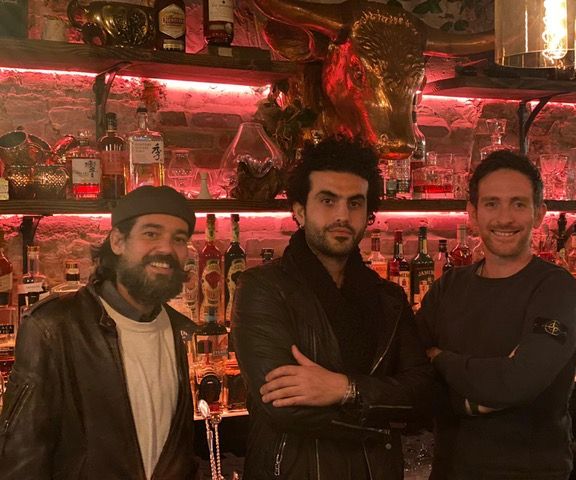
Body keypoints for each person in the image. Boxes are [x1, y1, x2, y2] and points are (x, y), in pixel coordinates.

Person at [232, 136, 433, 479]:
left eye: (355, 203)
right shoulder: (262, 289)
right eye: (328, 200)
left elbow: (423, 395)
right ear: (299, 210)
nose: (342, 215)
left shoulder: (388, 297)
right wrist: (386, 419)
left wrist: (343, 389)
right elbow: (285, 408)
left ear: (368, 214)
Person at [0, 186, 200, 479]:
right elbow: (22, 457)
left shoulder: (178, 329)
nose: (166, 249)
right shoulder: (54, 326)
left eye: (179, 239)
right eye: (151, 233)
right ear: (117, 241)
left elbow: (179, 454)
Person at [416, 150, 576, 480]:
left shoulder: (556, 289)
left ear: (539, 214)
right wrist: (478, 393)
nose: (505, 218)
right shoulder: (449, 286)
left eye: (518, 204)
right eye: (492, 204)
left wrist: (440, 359)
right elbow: (410, 373)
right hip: (449, 471)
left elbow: (517, 382)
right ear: (472, 214)